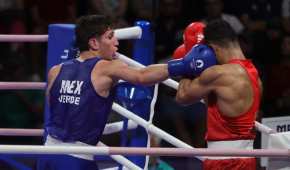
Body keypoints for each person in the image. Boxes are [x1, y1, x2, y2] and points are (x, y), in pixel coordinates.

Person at [36, 14, 170, 170]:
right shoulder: (107, 67)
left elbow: (53, 108)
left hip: (46, 154)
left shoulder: (56, 70)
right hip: (77, 159)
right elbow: (142, 76)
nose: (117, 43)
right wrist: (182, 65)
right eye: (110, 37)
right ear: (94, 43)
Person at [175, 19, 262, 170]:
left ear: (213, 49)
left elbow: (182, 96)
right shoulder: (255, 75)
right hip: (247, 159)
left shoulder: (220, 74)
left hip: (224, 161)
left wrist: (189, 62)